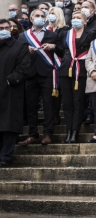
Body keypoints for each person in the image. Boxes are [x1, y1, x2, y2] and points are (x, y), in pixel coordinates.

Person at [16, 9, 64, 146]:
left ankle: (48, 133)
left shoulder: (52, 34)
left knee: (49, 105)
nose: (40, 18)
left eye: (43, 16)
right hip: (30, 74)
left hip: (47, 73)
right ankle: (33, 134)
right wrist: (26, 51)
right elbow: (18, 56)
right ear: (31, 19)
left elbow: (62, 51)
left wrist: (53, 46)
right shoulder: (23, 36)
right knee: (31, 106)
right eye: (37, 16)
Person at [60, 11, 96, 143]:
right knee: (67, 103)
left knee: (78, 102)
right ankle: (68, 130)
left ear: (84, 21)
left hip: (81, 70)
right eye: (73, 18)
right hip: (66, 69)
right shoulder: (66, 33)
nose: (75, 20)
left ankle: (75, 131)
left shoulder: (91, 34)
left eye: (78, 18)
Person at [0, 19, 30, 167]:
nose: (4, 30)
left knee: (9, 126)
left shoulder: (20, 46)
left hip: (11, 91)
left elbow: (23, 68)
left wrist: (8, 81)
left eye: (7, 27)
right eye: (1, 28)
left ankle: (6, 156)